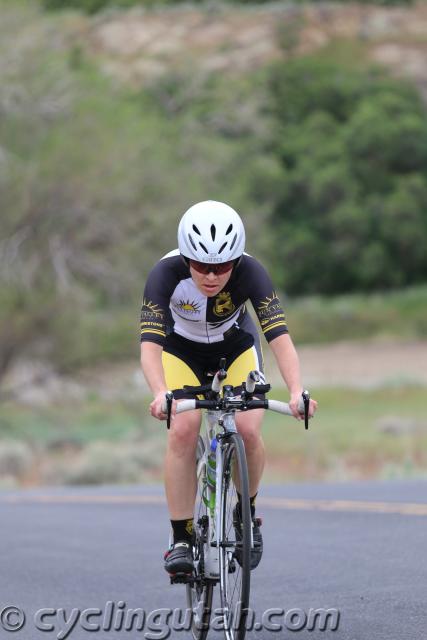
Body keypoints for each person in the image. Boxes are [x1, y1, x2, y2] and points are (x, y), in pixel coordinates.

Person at [140, 200, 317, 578]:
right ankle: (182, 537)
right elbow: (150, 346)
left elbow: (279, 337)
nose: (211, 275)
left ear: (236, 260)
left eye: (221, 267)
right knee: (183, 430)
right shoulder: (164, 274)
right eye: (201, 266)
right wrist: (159, 392)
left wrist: (297, 390)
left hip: (234, 346)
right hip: (180, 351)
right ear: (186, 258)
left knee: (249, 430)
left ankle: (246, 516)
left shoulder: (251, 271)